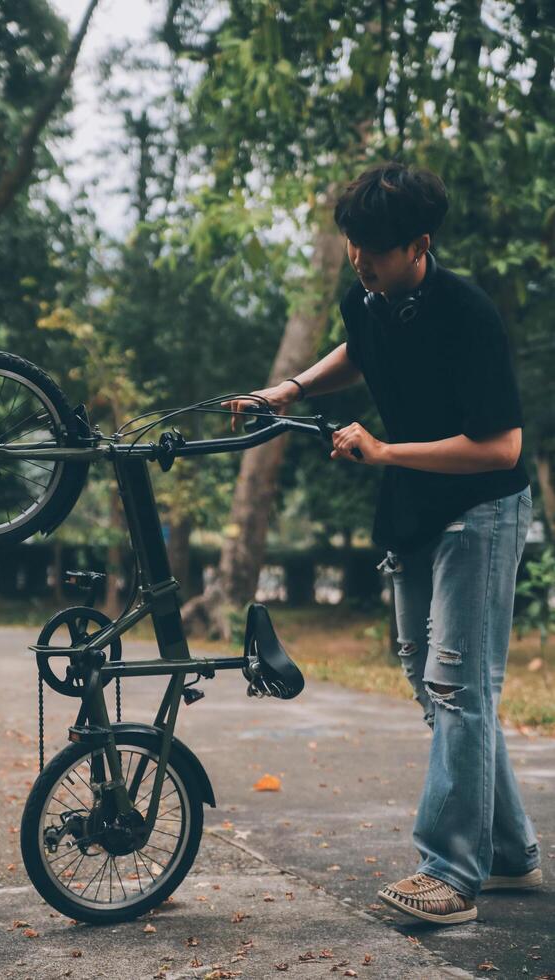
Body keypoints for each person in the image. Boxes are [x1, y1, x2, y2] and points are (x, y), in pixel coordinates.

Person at [222, 161, 542, 926]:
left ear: (419, 245)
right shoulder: (368, 297)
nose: (359, 259)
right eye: (352, 243)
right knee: (430, 681)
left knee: (459, 686)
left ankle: (450, 874)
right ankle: (509, 853)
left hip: (481, 509)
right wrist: (290, 389)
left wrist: (388, 453)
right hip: (416, 507)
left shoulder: (468, 314)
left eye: (375, 247)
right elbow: (357, 351)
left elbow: (501, 448)